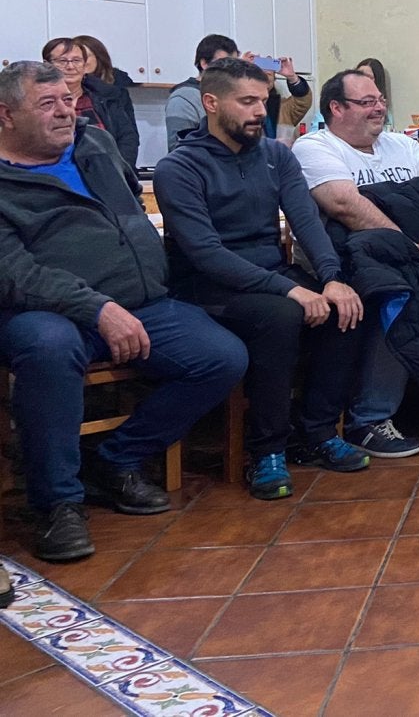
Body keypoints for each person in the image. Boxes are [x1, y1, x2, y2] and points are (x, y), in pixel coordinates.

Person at [0, 61, 246, 562]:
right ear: (5, 115)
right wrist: (99, 308)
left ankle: (116, 460)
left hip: (139, 300)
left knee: (222, 356)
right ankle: (57, 504)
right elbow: (15, 273)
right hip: (43, 312)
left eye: (68, 99)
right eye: (47, 104)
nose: (66, 112)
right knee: (48, 348)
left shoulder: (95, 143)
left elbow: (131, 203)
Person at [154, 57, 370, 500]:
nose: (259, 110)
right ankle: (267, 451)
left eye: (264, 100)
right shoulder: (179, 167)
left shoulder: (275, 155)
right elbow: (207, 255)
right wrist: (291, 288)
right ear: (210, 103)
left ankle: (317, 432)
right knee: (279, 315)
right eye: (247, 101)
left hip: (271, 275)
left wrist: (330, 278)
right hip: (206, 288)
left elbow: (306, 222)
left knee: (348, 304)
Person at [294, 69, 419, 453]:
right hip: (355, 262)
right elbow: (345, 205)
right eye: (367, 102)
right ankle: (369, 419)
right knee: (401, 297)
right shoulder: (316, 147)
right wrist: (411, 247)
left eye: (380, 101)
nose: (379, 108)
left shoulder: (403, 146)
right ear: (336, 108)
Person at [166, 34, 311, 149]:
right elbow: (179, 147)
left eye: (233, 62)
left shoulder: (273, 104)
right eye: (224, 62)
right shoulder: (184, 97)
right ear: (204, 63)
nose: (229, 68)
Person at [42, 37, 139, 170]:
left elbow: (127, 139)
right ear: (47, 65)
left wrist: (121, 173)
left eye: (76, 61)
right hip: (53, 178)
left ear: (84, 65)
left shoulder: (107, 98)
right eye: (62, 61)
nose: (70, 66)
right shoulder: (36, 102)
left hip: (105, 177)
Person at [356, 57, 395, 130]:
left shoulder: (382, 109)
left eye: (368, 77)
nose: (362, 80)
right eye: (358, 75)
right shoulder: (348, 104)